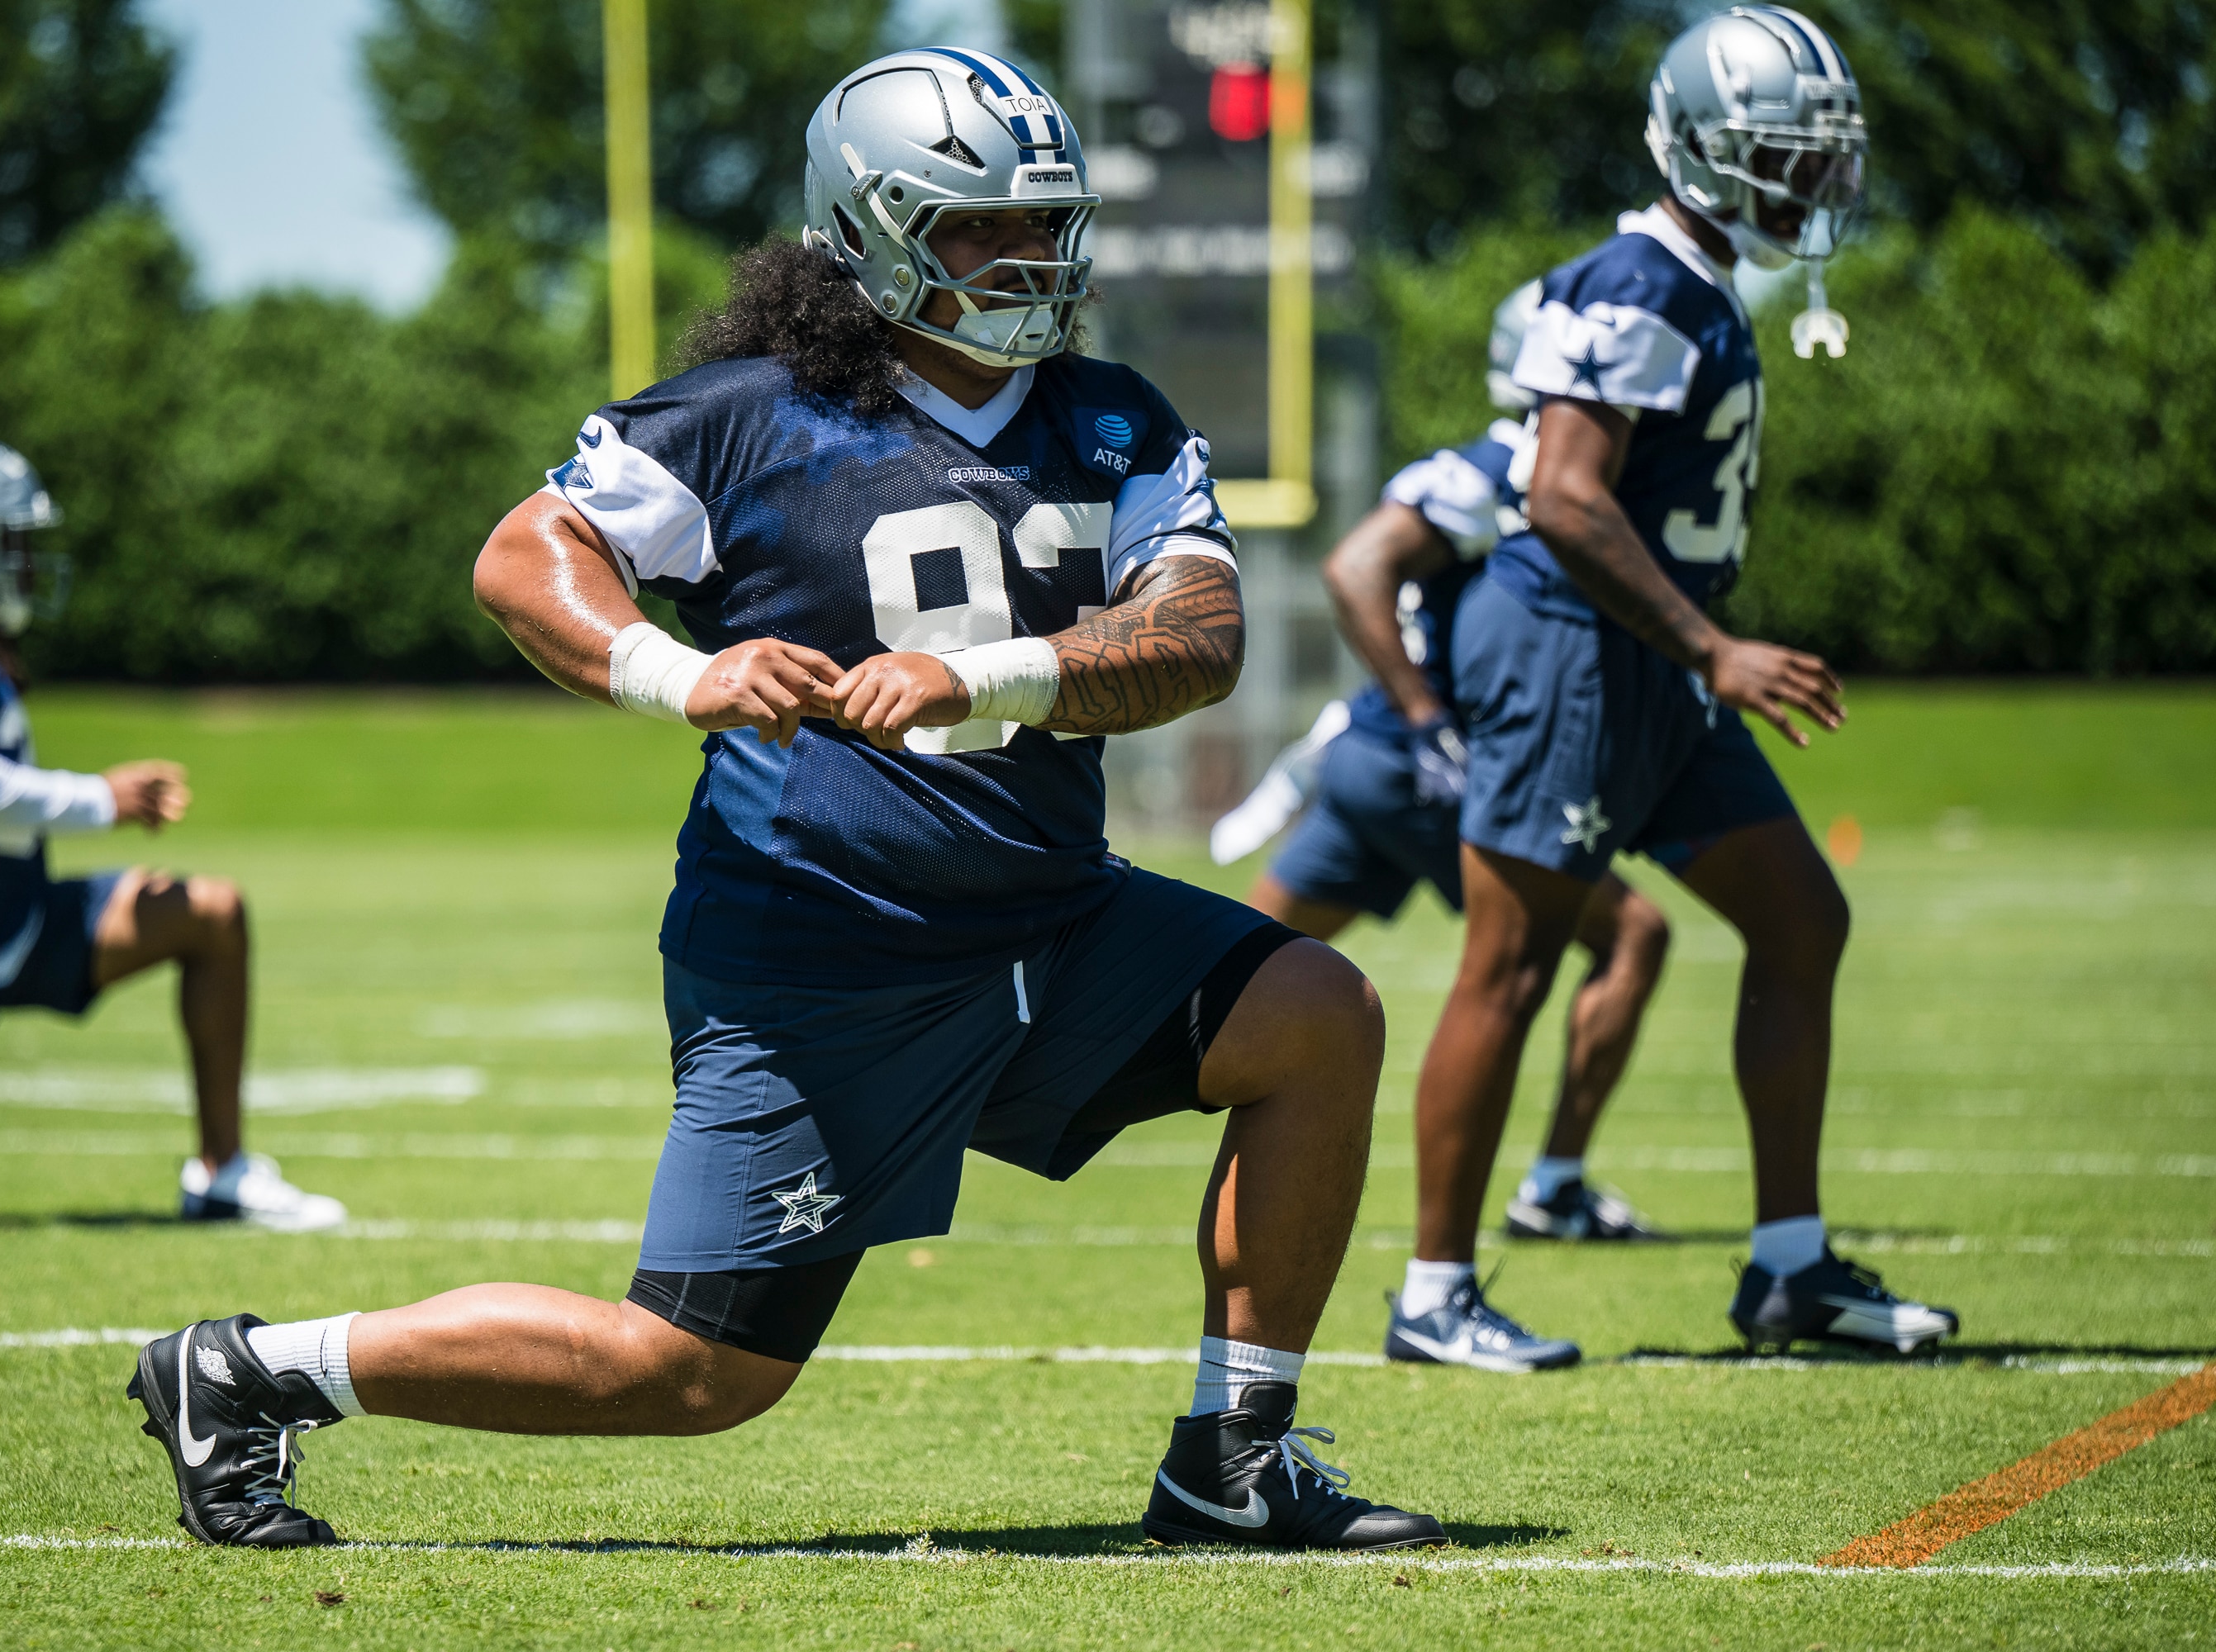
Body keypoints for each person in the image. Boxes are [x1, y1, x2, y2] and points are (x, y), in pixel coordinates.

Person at [122, 50, 1443, 1554]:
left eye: (1044, 222)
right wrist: (674, 676)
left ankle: (1234, 1462)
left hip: (1052, 924)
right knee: (688, 1372)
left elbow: (1198, 640)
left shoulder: (1113, 419)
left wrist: (980, 677)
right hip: (827, 958)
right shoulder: (752, 419)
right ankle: (247, 1373)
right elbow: (523, 555)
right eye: (976, 226)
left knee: (1314, 1015)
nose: (1026, 257)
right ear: (871, 231)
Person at [1410, 7, 1957, 1360]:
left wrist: (1695, 652)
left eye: (1820, 154)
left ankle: (1785, 1272)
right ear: (1701, 149)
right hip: (1577, 660)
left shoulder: (1699, 281)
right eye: (1785, 152)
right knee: (1512, 964)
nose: (1814, 182)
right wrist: (1715, 647)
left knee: (1799, 918)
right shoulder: (1639, 284)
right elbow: (1565, 496)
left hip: (1651, 668)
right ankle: (1433, 1294)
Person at [1234, 284, 1673, 1341]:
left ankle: (1062, 1083)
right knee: (1627, 935)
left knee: (1241, 961)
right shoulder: (1508, 471)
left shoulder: (1517, 471)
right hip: (1421, 767)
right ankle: (1552, 1183)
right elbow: (1356, 564)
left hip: (1372, 763)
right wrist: (1436, 718)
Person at [0, 436, 345, 1234]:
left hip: (19, 921)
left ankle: (222, 1173)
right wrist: (103, 797)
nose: (26, 562)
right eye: (12, 542)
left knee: (210, 913)